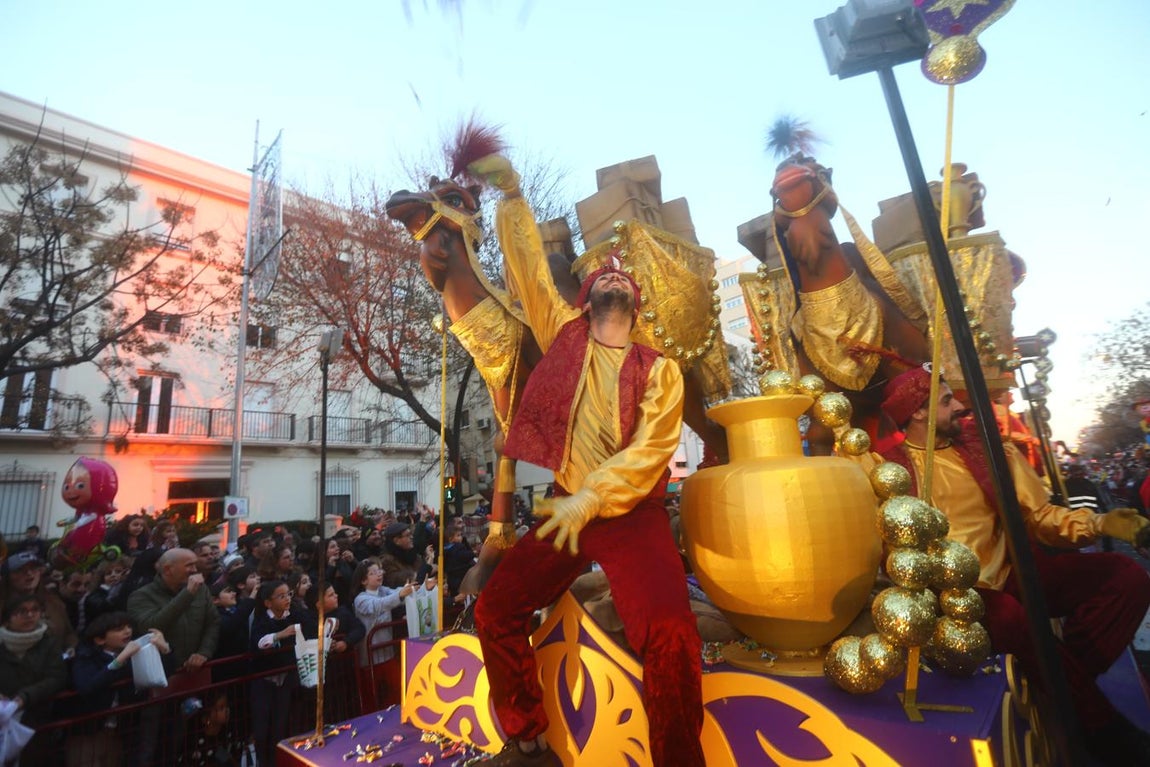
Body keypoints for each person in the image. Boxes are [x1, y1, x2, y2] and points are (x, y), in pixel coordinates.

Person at [465, 153, 704, 766]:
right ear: (588, 294)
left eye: (622, 276)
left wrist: (588, 500)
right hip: (567, 516)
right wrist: (511, 196)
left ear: (636, 299)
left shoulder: (661, 371)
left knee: (672, 635)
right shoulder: (561, 333)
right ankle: (526, 738)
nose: (612, 276)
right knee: (495, 607)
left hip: (631, 516)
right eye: (602, 275)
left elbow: (651, 453)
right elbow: (526, 272)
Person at [879, 366, 1150, 766]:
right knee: (1008, 616)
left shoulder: (991, 453)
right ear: (917, 413)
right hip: (958, 596)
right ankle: (1099, 725)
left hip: (1012, 573)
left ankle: (1063, 681)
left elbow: (1039, 517)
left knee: (1126, 577)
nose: (959, 408)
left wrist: (1099, 523)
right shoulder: (888, 471)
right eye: (946, 401)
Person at [68, 612, 171, 767]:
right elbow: (87, 686)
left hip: (122, 728)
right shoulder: (86, 656)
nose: (127, 631)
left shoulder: (135, 652)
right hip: (89, 729)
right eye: (118, 629)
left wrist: (165, 649)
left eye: (128, 627)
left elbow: (160, 673)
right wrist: (120, 660)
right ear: (100, 639)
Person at [0, 593, 68, 761]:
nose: (29, 615)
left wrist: (24, 697)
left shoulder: (49, 643)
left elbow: (56, 677)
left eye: (34, 610)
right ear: (8, 619)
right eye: (22, 611)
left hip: (36, 719)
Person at [248, 580, 305, 767]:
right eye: (281, 596)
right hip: (264, 679)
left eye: (288, 594)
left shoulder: (294, 614)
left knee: (281, 725)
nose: (287, 599)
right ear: (268, 602)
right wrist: (280, 635)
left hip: (286, 677)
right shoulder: (261, 620)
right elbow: (258, 642)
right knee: (262, 728)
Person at [0, 550, 77, 651]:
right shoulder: (3, 606)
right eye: (20, 570)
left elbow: (69, 633)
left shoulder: (53, 601)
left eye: (34, 568)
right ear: (8, 576)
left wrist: (71, 647)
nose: (29, 573)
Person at [351, 560, 416, 665]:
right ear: (363, 581)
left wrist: (420, 588)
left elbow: (396, 592)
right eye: (372, 573)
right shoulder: (360, 599)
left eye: (379, 570)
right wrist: (400, 594)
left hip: (388, 648)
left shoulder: (383, 590)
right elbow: (381, 604)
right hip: (371, 654)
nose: (379, 574)